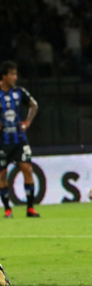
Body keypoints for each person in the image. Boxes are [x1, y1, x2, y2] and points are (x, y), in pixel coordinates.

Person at [0, 61, 40, 218]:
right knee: (2, 174)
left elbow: (34, 105)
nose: (15, 78)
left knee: (27, 169)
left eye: (16, 74)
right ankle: (7, 210)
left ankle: (30, 208)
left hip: (19, 139)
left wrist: (28, 121)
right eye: (12, 74)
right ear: (4, 76)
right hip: (2, 141)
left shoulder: (19, 92)